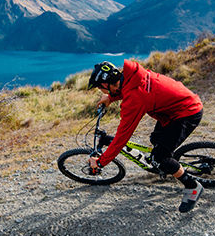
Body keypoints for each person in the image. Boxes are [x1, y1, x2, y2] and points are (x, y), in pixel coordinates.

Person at [87, 60, 204, 212]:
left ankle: (192, 186)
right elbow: (130, 88)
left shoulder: (135, 99)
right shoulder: (133, 76)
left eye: (99, 87)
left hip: (187, 113)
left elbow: (122, 136)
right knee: (156, 140)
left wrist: (101, 162)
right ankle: (169, 164)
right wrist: (112, 97)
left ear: (106, 84)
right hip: (173, 109)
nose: (100, 90)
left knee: (160, 158)